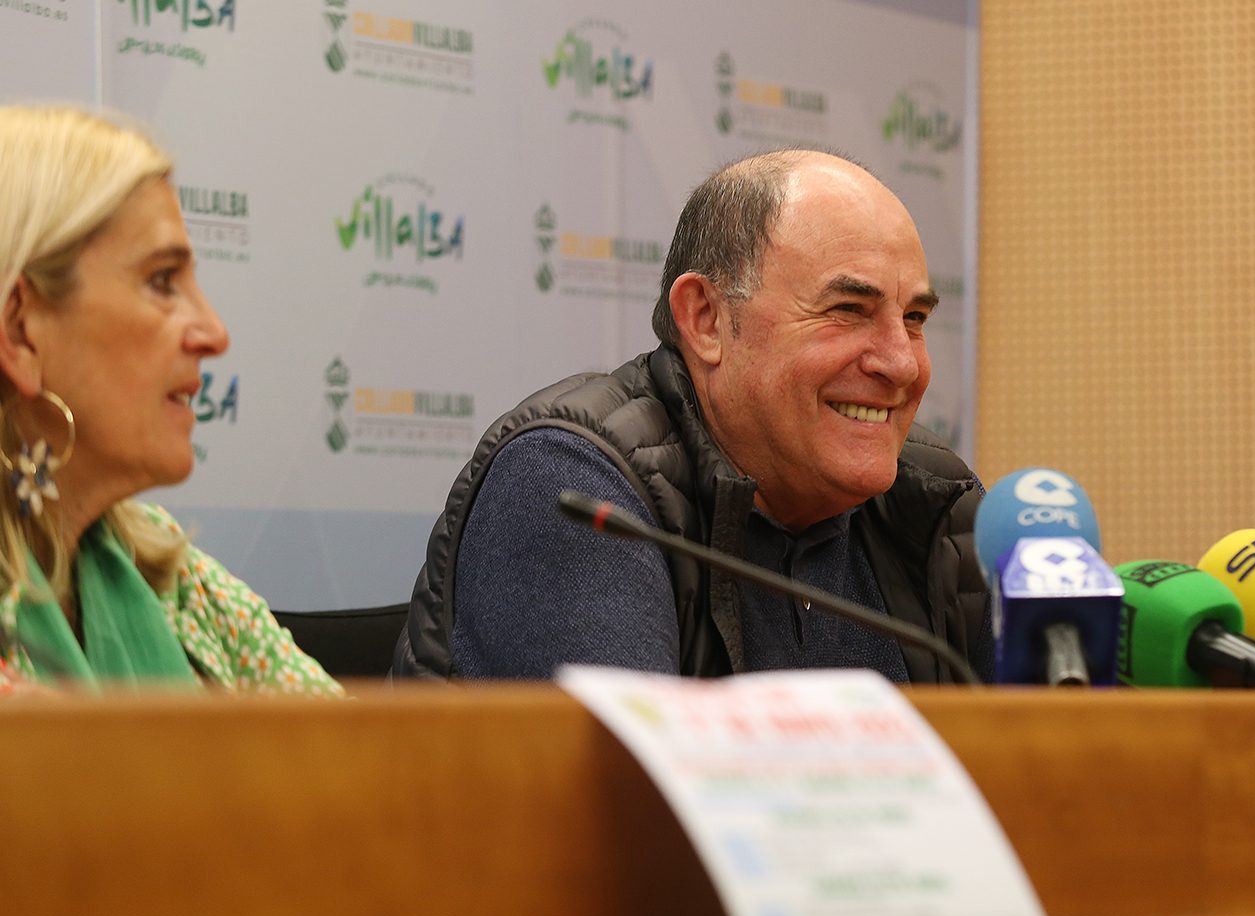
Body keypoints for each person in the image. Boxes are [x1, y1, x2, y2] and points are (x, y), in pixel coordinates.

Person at [394, 150, 991, 684]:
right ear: (706, 319)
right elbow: (623, 776)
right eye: (849, 309)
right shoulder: (573, 485)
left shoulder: (937, 505)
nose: (901, 363)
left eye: (914, 319)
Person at [0, 105, 340, 695]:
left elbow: (358, 748)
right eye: (162, 281)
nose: (214, 332)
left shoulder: (167, 572)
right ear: (21, 331)